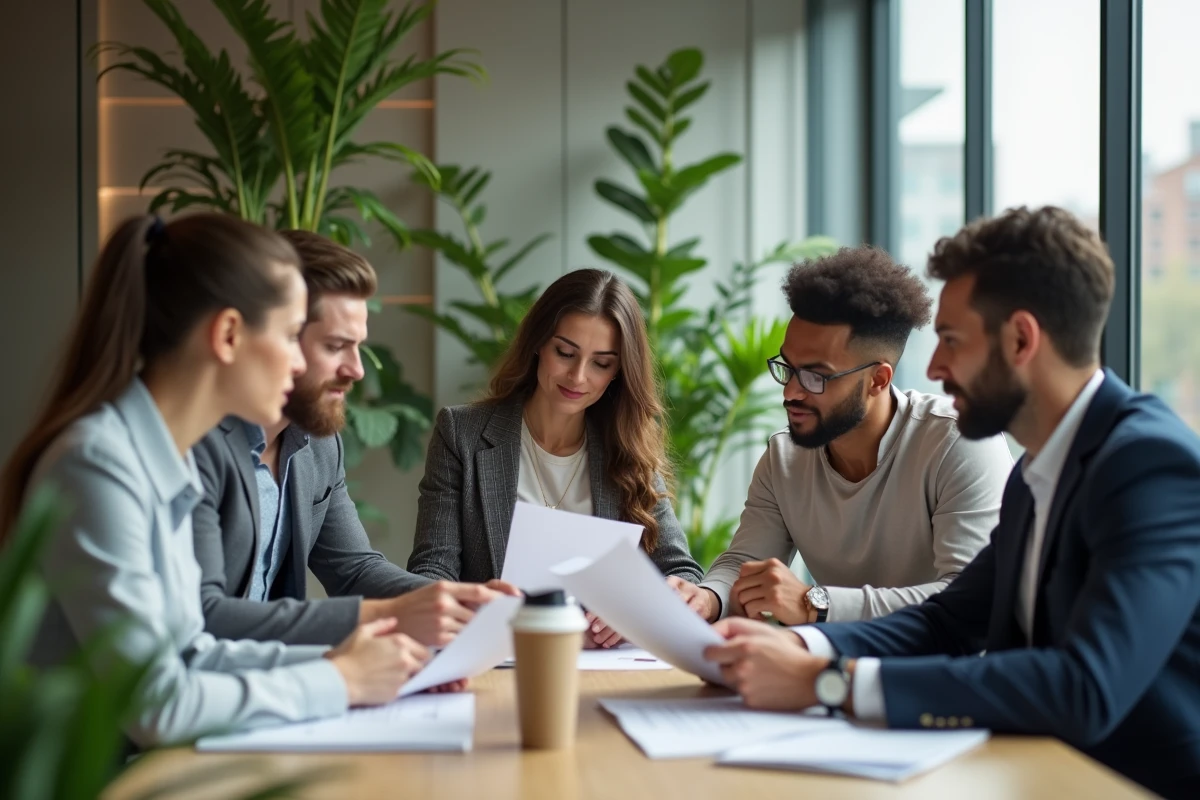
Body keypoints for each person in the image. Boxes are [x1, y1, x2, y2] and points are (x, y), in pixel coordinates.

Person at [703, 206, 1200, 799]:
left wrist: (830, 682)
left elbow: (1084, 686)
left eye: (951, 341)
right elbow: (948, 620)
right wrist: (800, 645)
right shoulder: (1038, 471)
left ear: (1021, 339)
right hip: (1030, 771)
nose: (935, 368)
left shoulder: (1148, 465)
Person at [4, 214, 437, 747]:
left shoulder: (165, 456)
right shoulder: (97, 464)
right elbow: (155, 703)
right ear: (229, 335)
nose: (298, 359)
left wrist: (351, 661)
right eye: (287, 335)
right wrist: (340, 678)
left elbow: (193, 651)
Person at [191, 230, 511, 648]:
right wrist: (388, 616)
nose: (356, 370)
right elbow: (204, 615)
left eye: (358, 347)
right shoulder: (196, 443)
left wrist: (450, 601)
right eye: (336, 346)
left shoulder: (318, 443)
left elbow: (353, 570)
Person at [672, 247, 1012, 624]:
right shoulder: (784, 459)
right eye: (788, 367)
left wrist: (817, 604)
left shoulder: (958, 443)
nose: (790, 392)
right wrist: (707, 598)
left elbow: (970, 599)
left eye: (816, 376)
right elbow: (743, 563)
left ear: (877, 380)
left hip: (943, 673)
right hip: (835, 668)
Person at [407, 268, 703, 647]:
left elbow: (683, 574)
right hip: (496, 659)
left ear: (619, 371)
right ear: (538, 344)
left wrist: (642, 607)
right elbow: (432, 571)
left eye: (602, 363)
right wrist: (480, 609)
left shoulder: (628, 447)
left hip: (606, 668)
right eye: (565, 353)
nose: (578, 377)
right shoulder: (461, 434)